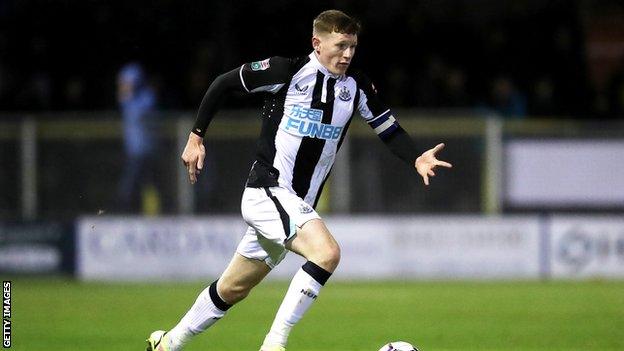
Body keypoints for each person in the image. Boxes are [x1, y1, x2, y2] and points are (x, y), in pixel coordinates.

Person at [146, 9, 452, 351]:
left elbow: (388, 129)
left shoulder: (356, 86)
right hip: (267, 191)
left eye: (353, 46)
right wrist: (196, 136)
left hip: (294, 205)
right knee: (327, 253)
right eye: (340, 45)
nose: (348, 54)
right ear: (316, 43)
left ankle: (168, 343)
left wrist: (416, 157)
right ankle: (274, 345)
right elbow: (224, 84)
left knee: (232, 288)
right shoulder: (286, 71)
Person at [116, 62, 160, 213]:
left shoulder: (147, 97)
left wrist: (127, 93)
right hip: (132, 150)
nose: (124, 86)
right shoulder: (128, 99)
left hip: (146, 150)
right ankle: (128, 211)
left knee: (146, 183)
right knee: (132, 184)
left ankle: (151, 214)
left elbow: (138, 113)